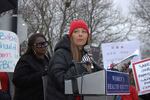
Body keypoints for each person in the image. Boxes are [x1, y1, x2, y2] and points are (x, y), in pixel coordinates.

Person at [46, 19, 103, 100]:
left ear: (87, 36)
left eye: (84, 32)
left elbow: (98, 73)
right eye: (76, 31)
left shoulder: (86, 54)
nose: (80, 34)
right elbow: (62, 83)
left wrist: (115, 70)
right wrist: (81, 65)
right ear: (71, 36)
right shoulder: (60, 54)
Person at [12, 33, 50, 100]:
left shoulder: (47, 59)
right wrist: (41, 75)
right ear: (32, 47)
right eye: (39, 44)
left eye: (44, 43)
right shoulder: (25, 60)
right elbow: (17, 80)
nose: (43, 46)